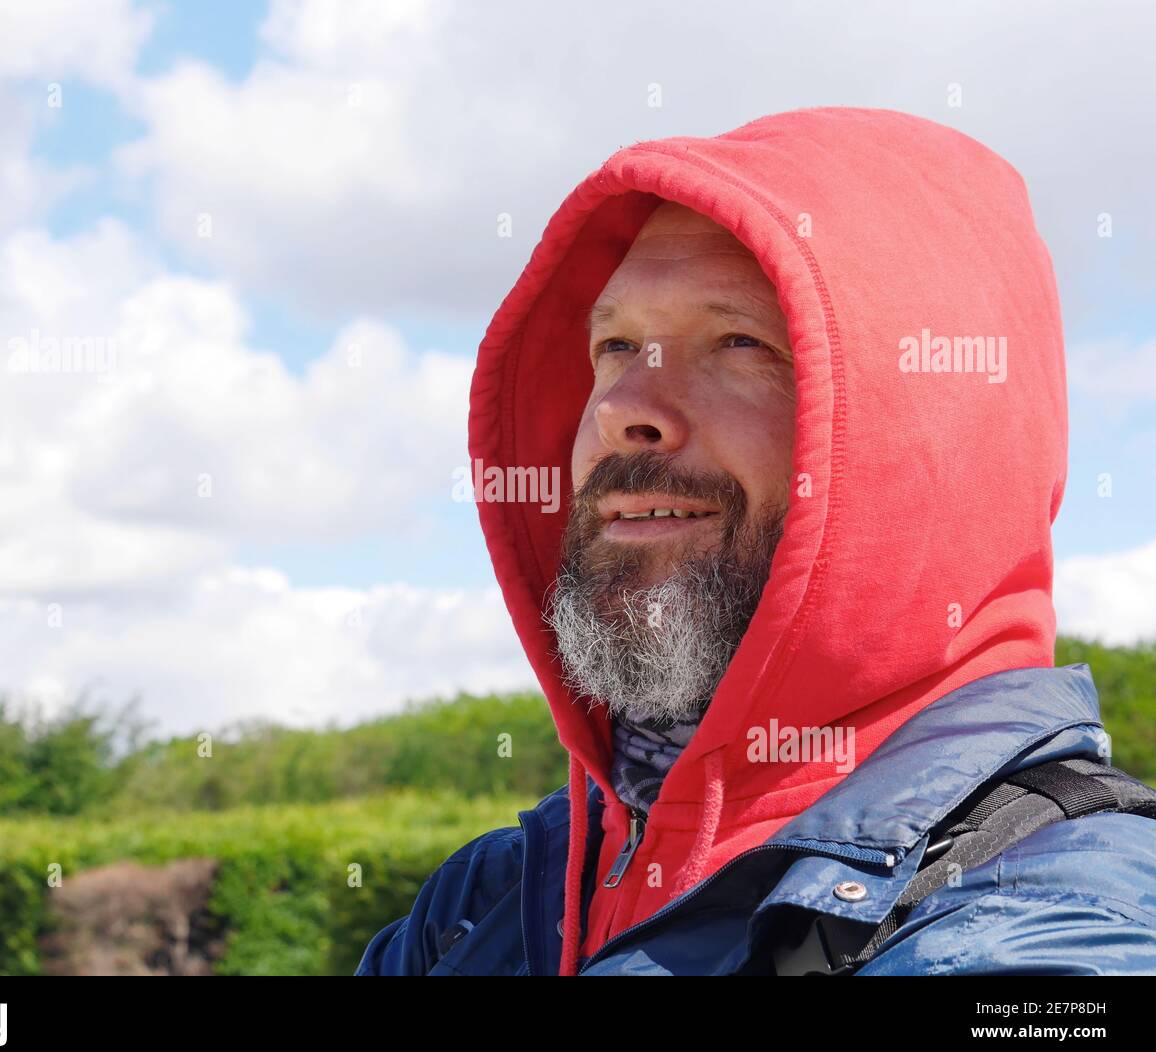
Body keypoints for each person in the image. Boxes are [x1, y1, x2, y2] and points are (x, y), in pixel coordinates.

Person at [355, 107, 1156, 976]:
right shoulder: (494, 896)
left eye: (738, 342)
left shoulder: (1056, 930)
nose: (624, 407)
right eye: (615, 344)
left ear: (930, 434)